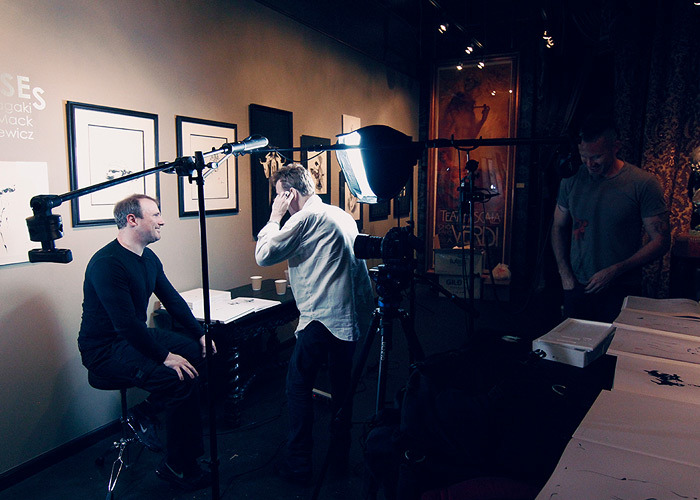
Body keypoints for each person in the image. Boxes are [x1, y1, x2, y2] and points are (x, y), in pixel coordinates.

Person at [78, 194, 214, 491]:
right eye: (155, 215)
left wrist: (200, 333)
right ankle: (178, 466)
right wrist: (165, 356)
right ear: (132, 220)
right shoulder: (107, 264)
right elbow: (124, 324)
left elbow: (172, 300)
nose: (162, 220)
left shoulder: (149, 258)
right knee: (177, 377)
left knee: (197, 352)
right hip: (104, 349)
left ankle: (146, 412)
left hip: (133, 336)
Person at [255, 164, 374, 485]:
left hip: (320, 318)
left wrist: (274, 217)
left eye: (279, 195)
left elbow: (264, 254)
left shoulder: (305, 218)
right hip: (348, 317)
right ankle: (339, 457)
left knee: (297, 387)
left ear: (290, 193)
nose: (278, 200)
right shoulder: (340, 214)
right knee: (342, 390)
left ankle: (298, 463)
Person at [551, 114, 671, 322]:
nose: (590, 163)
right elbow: (558, 226)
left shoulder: (643, 183)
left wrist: (616, 270)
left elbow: (661, 241)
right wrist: (564, 273)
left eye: (597, 157)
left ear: (615, 147)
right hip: (578, 287)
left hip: (620, 288)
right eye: (584, 156)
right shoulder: (572, 179)